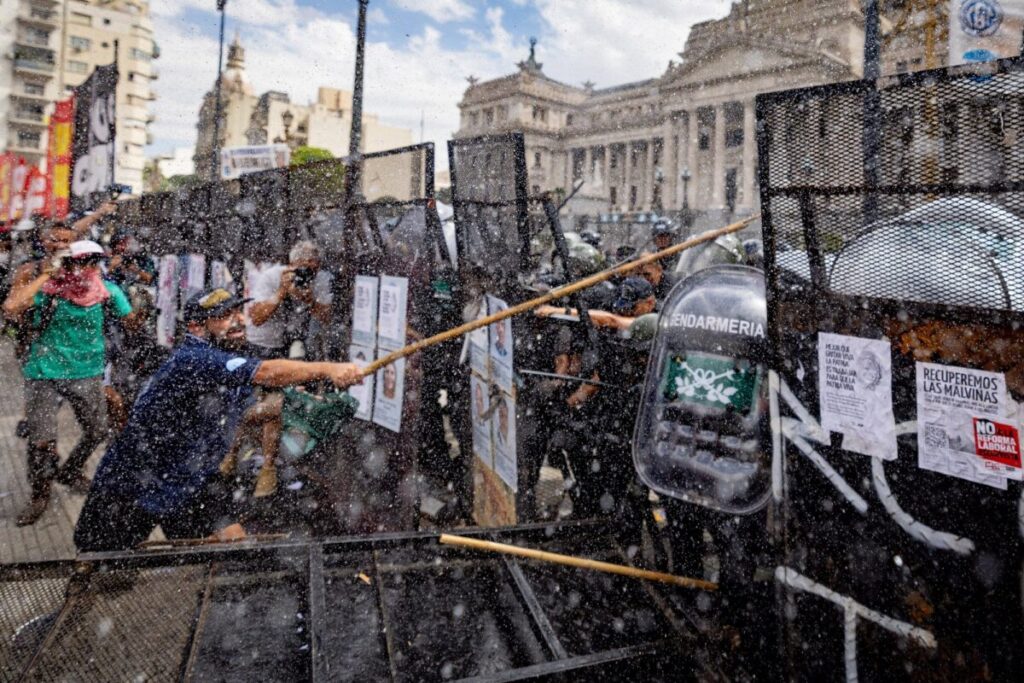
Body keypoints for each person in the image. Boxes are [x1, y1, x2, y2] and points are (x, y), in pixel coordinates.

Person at [74, 287, 363, 552]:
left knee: (231, 550)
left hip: (192, 480)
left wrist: (295, 402)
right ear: (196, 327)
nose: (237, 320)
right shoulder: (193, 359)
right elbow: (266, 372)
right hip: (135, 482)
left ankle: (224, 597)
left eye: (237, 312)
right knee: (100, 567)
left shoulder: (229, 356)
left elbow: (248, 406)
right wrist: (327, 368)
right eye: (223, 316)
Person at [2, 240, 132, 526]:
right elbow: (12, 306)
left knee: (97, 430)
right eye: (82, 262)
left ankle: (70, 470)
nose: (88, 268)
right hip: (44, 371)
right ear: (68, 263)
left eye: (93, 262)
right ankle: (40, 495)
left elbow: (131, 319)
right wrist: (48, 275)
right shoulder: (49, 290)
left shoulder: (105, 290)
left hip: (87, 371)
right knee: (42, 441)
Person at [246, 241, 332, 360]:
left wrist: (311, 301)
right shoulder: (272, 276)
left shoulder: (320, 280)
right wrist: (281, 291)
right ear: (291, 265)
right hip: (264, 342)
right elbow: (257, 318)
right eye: (302, 269)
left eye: (313, 270)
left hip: (297, 342)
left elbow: (327, 318)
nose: (307, 275)